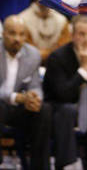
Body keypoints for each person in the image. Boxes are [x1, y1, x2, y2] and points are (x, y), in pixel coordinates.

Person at [44, 15, 87, 170]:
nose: (85, 39)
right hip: (59, 109)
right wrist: (83, 70)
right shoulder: (58, 57)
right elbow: (63, 95)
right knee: (68, 111)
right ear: (72, 36)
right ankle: (68, 165)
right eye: (81, 34)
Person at [0, 15, 51, 170]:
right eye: (12, 33)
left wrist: (35, 98)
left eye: (22, 34)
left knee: (44, 109)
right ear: (3, 34)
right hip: (2, 104)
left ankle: (39, 166)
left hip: (19, 109)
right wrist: (17, 97)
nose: (17, 38)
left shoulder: (33, 55)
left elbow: (35, 85)